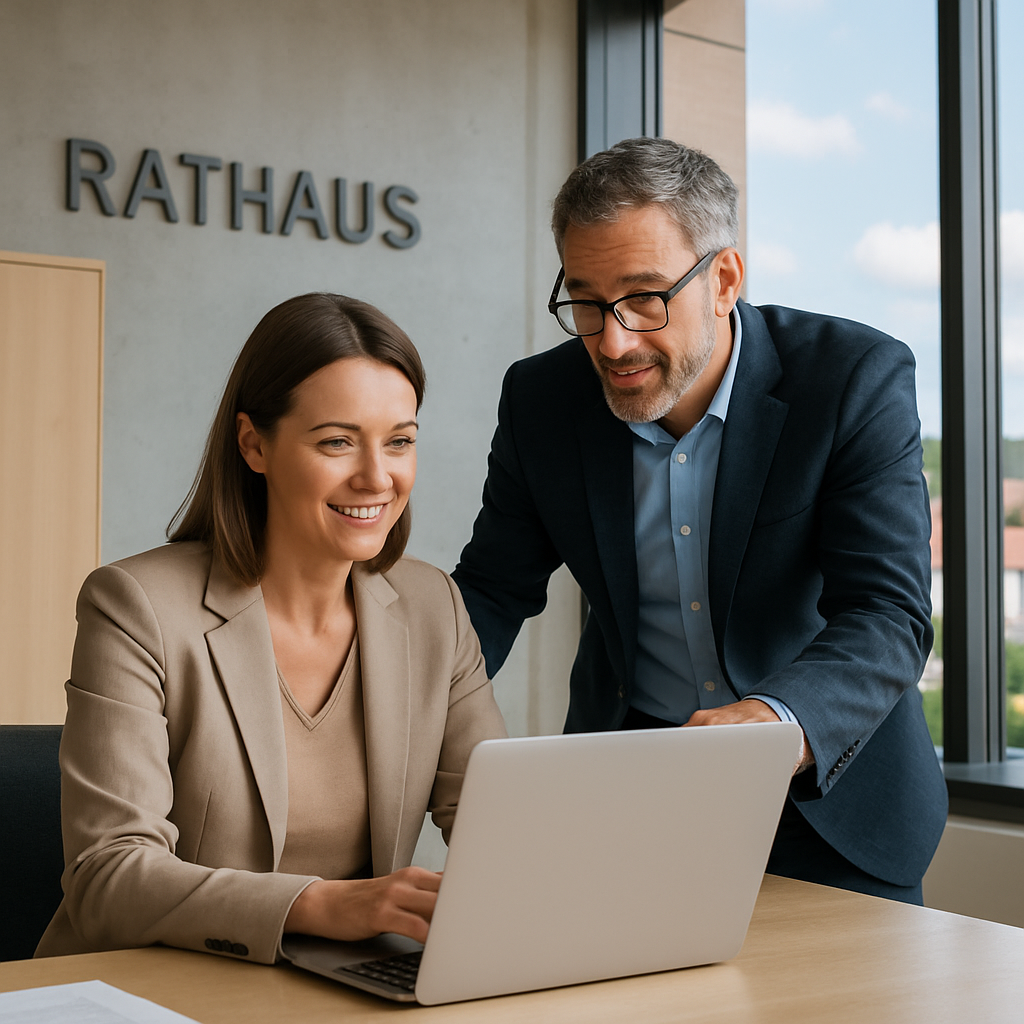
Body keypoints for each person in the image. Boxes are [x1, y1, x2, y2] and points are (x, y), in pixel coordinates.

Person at [452, 137, 947, 903]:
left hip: (831, 799)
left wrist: (768, 720)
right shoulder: (541, 400)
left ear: (723, 279)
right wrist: (405, 710)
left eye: (645, 298)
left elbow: (888, 613)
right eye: (585, 301)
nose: (613, 342)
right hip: (633, 796)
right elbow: (490, 590)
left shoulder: (852, 378)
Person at [37, 293, 506, 963]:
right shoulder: (136, 606)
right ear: (254, 444)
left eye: (399, 441)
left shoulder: (433, 607)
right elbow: (108, 877)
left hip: (335, 989)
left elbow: (500, 829)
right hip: (151, 987)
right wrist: (319, 904)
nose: (378, 477)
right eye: (338, 442)